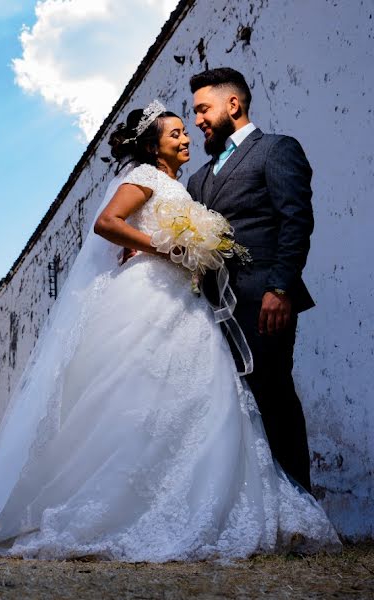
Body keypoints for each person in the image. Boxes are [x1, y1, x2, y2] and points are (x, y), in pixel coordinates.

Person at [0, 102, 339, 561]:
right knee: (137, 396)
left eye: (187, 131)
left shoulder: (183, 184)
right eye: (175, 133)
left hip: (187, 300)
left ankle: (184, 501)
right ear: (153, 144)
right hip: (150, 294)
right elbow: (107, 223)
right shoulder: (145, 176)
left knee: (198, 397)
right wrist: (166, 245)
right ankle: (121, 506)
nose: (185, 139)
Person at [187, 68, 315, 493]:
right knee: (227, 406)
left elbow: (295, 220)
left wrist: (280, 289)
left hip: (264, 301)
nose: (198, 120)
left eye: (203, 109)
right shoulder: (198, 178)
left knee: (272, 395)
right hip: (210, 309)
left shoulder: (276, 150)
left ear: (233, 105)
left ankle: (298, 505)